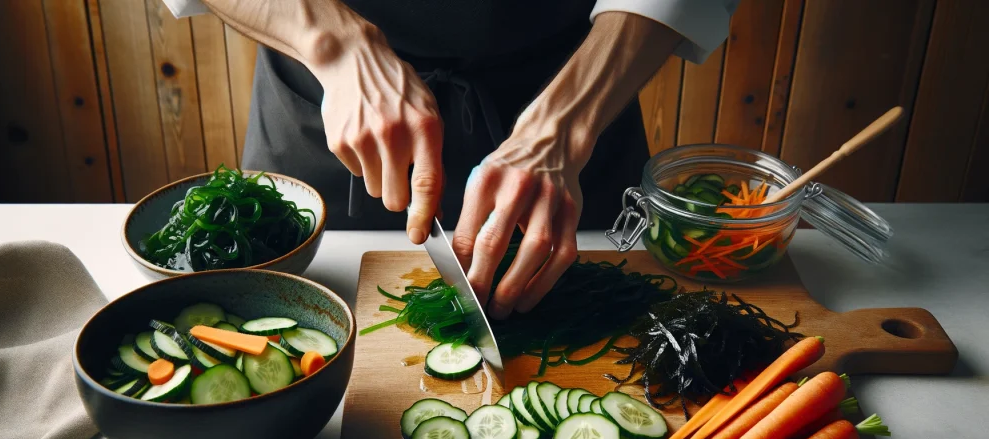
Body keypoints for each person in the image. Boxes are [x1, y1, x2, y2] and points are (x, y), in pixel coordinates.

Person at [162, 0, 738, 319]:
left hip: (576, 86)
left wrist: (564, 123)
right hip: (326, 101)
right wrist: (336, 44)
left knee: (584, 307)